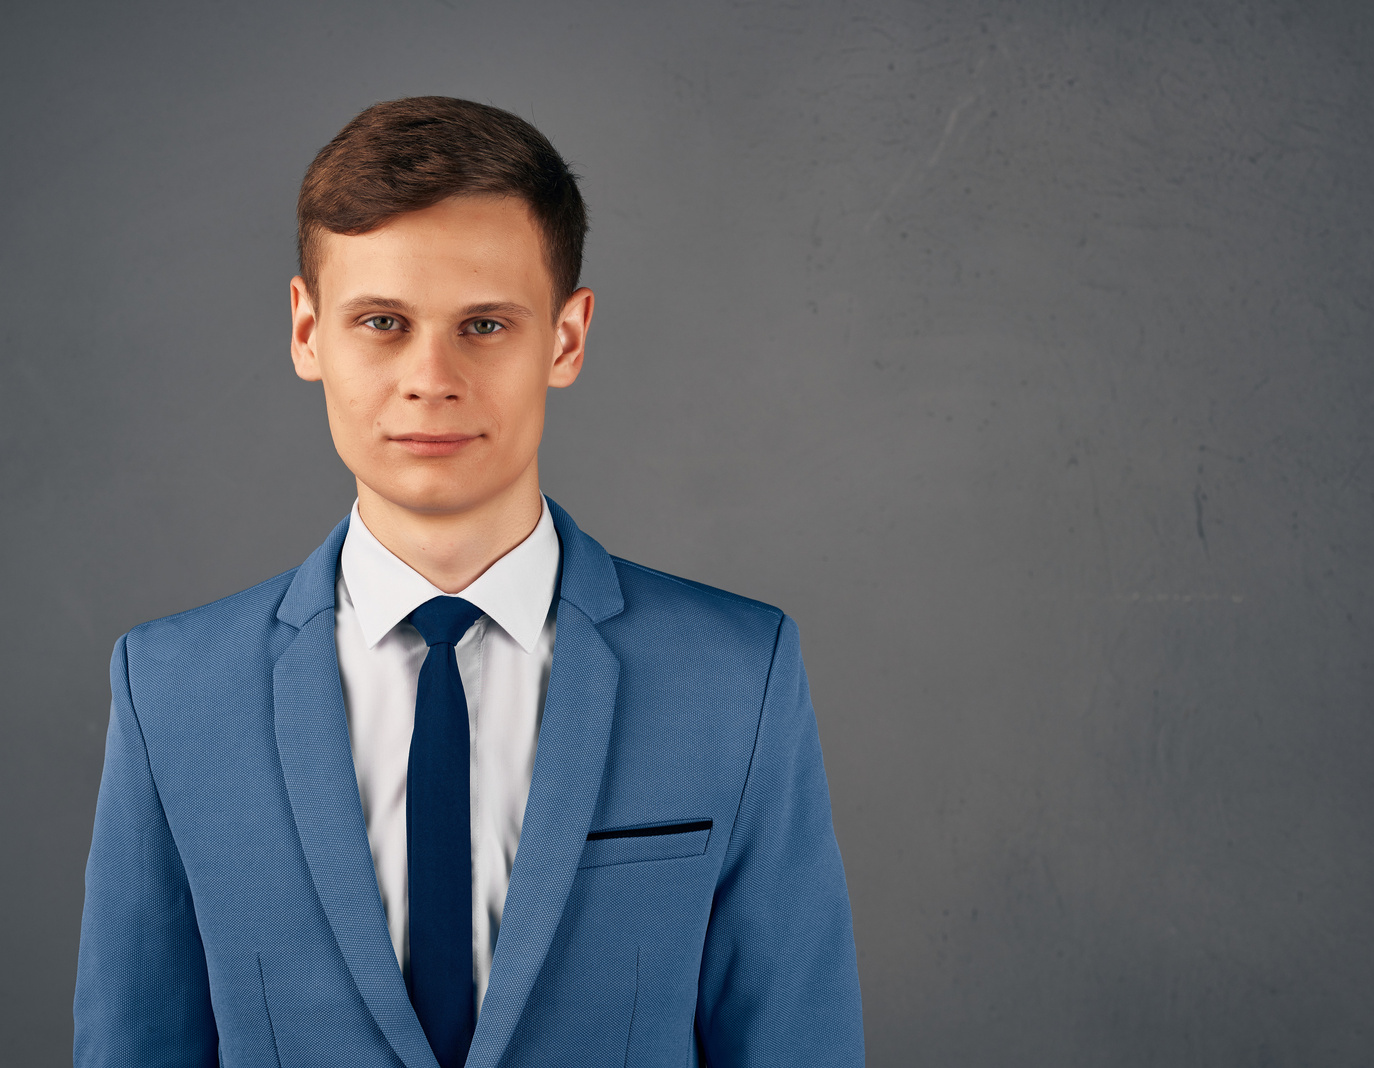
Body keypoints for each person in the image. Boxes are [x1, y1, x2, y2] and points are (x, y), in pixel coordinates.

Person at [73, 96, 864, 1068]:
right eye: (382, 322)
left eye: (483, 323)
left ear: (566, 339)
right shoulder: (170, 691)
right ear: (306, 331)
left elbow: (796, 1044)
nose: (429, 376)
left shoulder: (739, 675)